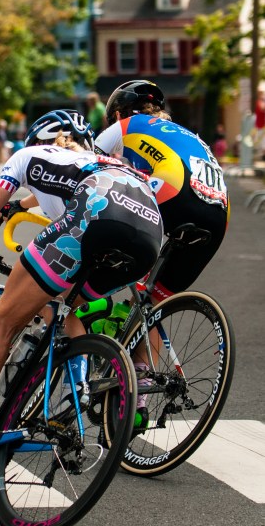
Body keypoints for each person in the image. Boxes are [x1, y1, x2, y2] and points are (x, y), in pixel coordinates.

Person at [0, 109, 163, 461]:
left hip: (97, 216)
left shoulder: (27, 157)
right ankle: (79, 388)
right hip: (148, 235)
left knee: (3, 323)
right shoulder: (97, 160)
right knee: (60, 299)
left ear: (37, 140)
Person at [94, 80, 229, 428]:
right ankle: (141, 382)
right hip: (217, 215)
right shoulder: (184, 133)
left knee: (88, 249)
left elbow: (83, 168)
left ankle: (109, 353)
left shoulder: (124, 127)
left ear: (119, 113)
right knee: (149, 304)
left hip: (176, 195)